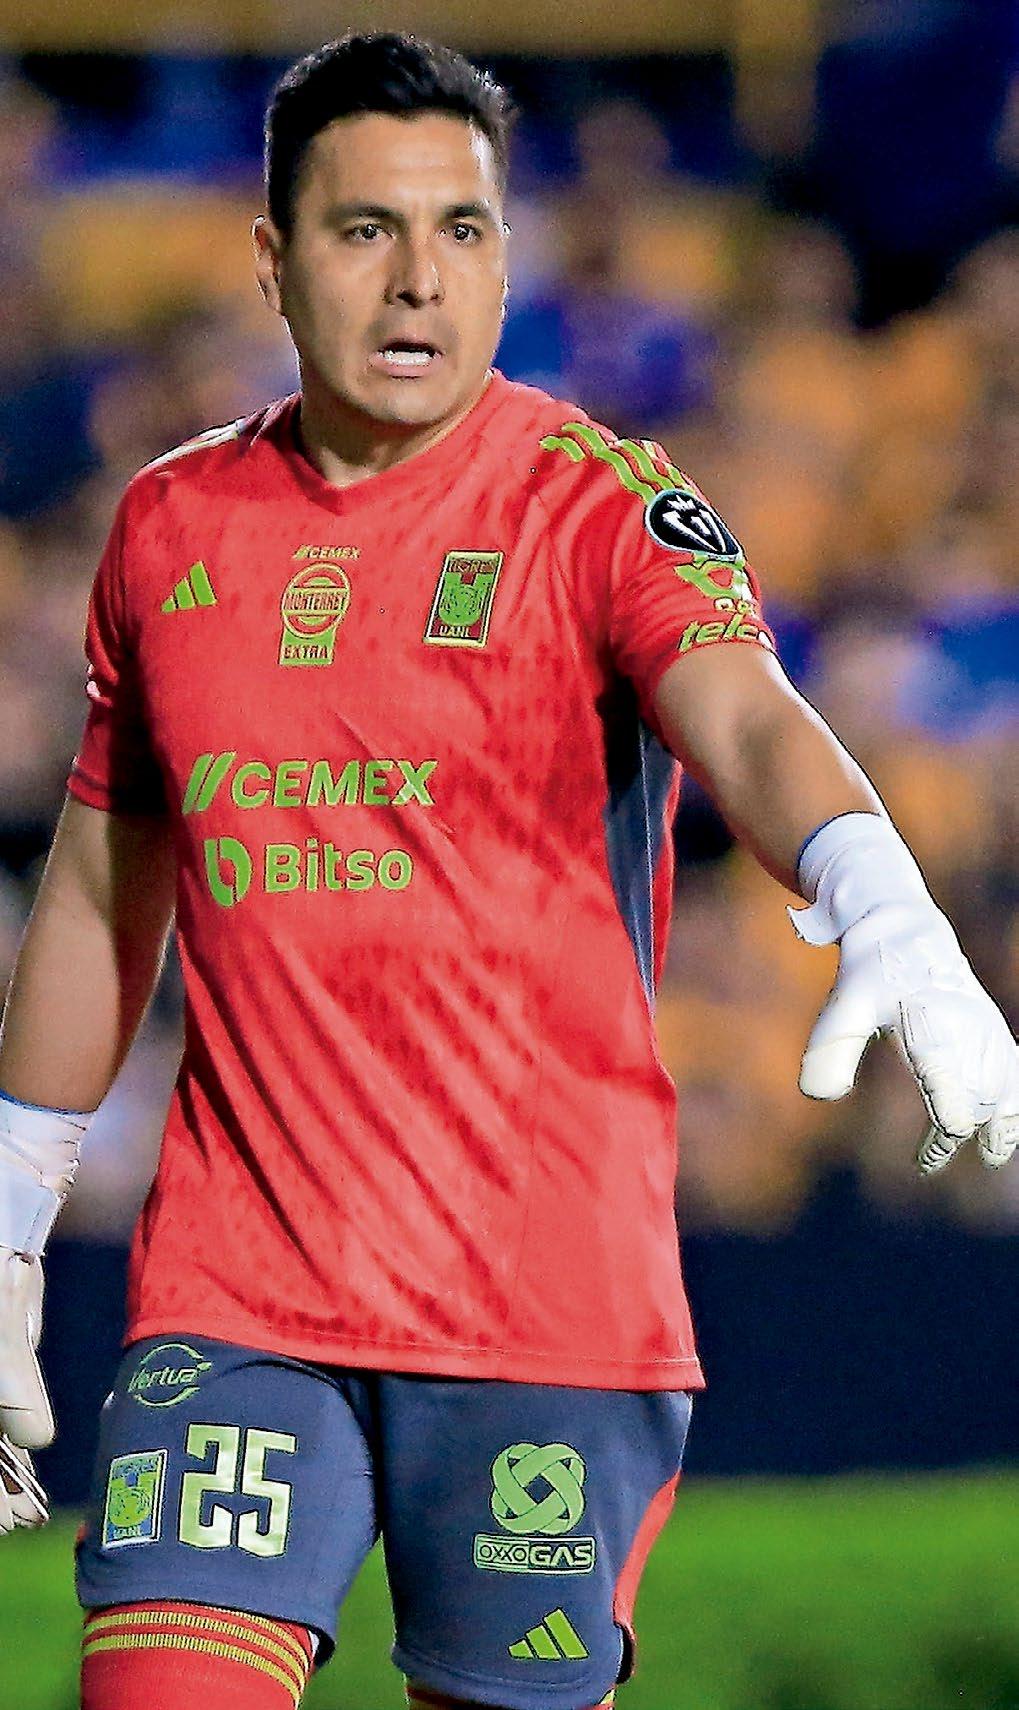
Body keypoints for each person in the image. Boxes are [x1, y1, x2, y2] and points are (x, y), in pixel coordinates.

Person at [0, 32, 1015, 1710]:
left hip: (537, 1297)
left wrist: (880, 892)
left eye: (461, 231)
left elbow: (749, 721)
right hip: (239, 1293)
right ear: (272, 259)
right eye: (365, 230)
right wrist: (12, 1212)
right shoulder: (169, 528)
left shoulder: (600, 503)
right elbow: (111, 881)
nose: (420, 279)